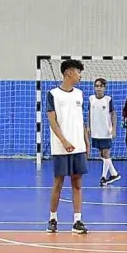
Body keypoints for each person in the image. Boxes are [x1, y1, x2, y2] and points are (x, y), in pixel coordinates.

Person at [46, 59, 88, 234]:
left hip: (78, 147)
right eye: (78, 72)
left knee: (77, 183)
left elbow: (81, 120)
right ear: (69, 73)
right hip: (61, 147)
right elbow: (51, 120)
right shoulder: (53, 94)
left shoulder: (79, 94)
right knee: (59, 183)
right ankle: (53, 219)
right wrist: (63, 141)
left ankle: (77, 221)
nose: (80, 76)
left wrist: (86, 142)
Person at [88, 77, 120, 186]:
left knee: (106, 153)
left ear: (104, 87)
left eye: (100, 86)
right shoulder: (91, 99)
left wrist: (114, 128)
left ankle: (103, 177)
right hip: (95, 132)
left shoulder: (108, 100)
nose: (98, 88)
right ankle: (114, 173)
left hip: (106, 131)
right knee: (101, 154)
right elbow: (89, 113)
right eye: (96, 86)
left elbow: (113, 114)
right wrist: (88, 126)